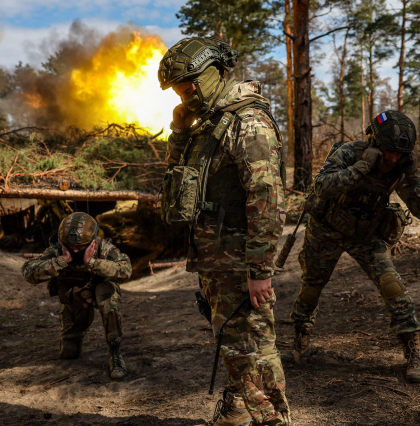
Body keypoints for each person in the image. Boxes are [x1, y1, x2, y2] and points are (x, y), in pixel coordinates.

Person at [158, 37, 290, 426]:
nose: (185, 96)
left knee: (248, 347)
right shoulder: (211, 124)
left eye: (188, 86)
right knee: (238, 339)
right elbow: (175, 181)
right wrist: (179, 131)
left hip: (238, 259)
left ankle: (272, 419)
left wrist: (260, 270)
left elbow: (268, 197)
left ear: (212, 74)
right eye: (179, 90)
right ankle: (236, 411)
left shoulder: (247, 123)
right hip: (217, 257)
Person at [290, 110, 420, 384]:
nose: (392, 158)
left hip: (365, 234)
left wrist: (413, 178)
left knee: (392, 286)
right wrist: (360, 169)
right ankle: (299, 338)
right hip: (326, 230)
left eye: (399, 154)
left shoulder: (400, 168)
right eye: (388, 151)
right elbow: (321, 186)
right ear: (374, 141)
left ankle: (413, 349)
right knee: (311, 286)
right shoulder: (349, 153)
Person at [22, 212, 132, 379]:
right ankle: (74, 335)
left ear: (92, 241)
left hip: (99, 294)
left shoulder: (102, 247)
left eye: (81, 247)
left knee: (108, 293)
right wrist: (61, 261)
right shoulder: (58, 250)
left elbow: (126, 269)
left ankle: (115, 353)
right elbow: (28, 271)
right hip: (75, 300)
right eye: (70, 246)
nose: (75, 250)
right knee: (69, 352)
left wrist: (92, 263)